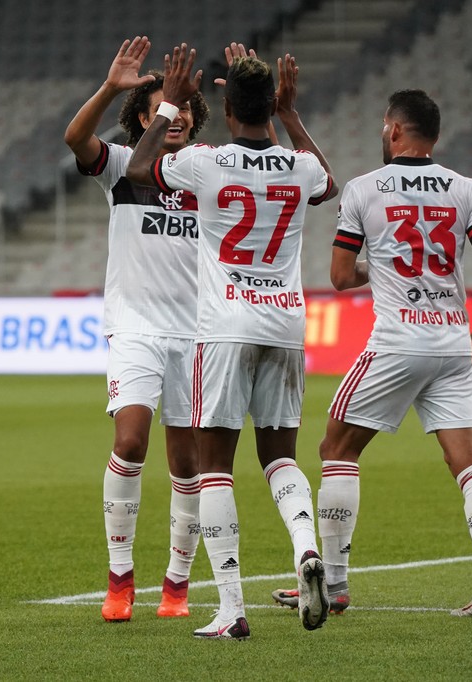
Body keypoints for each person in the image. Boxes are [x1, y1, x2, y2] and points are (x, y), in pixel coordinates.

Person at [270, 89, 472, 618]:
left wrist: (377, 267)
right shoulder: (465, 188)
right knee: (467, 461)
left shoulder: (364, 190)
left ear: (395, 130)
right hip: (453, 342)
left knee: (336, 449)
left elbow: (340, 277)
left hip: (398, 342)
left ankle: (333, 583)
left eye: (386, 126)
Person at [127, 45, 338, 639]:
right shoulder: (299, 168)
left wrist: (169, 102)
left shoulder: (204, 161)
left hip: (224, 328)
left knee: (216, 468)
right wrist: (292, 117)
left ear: (223, 105)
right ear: (272, 102)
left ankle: (230, 608)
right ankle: (305, 550)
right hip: (286, 326)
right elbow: (329, 185)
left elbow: (141, 170)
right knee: (280, 458)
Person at [63, 36, 210, 623]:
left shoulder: (207, 172)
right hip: (135, 328)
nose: (175, 117)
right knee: (129, 443)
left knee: (189, 463)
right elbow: (76, 139)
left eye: (182, 108)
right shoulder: (123, 168)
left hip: (198, 334)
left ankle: (176, 583)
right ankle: (120, 577)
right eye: (161, 110)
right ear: (143, 119)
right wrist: (109, 87)